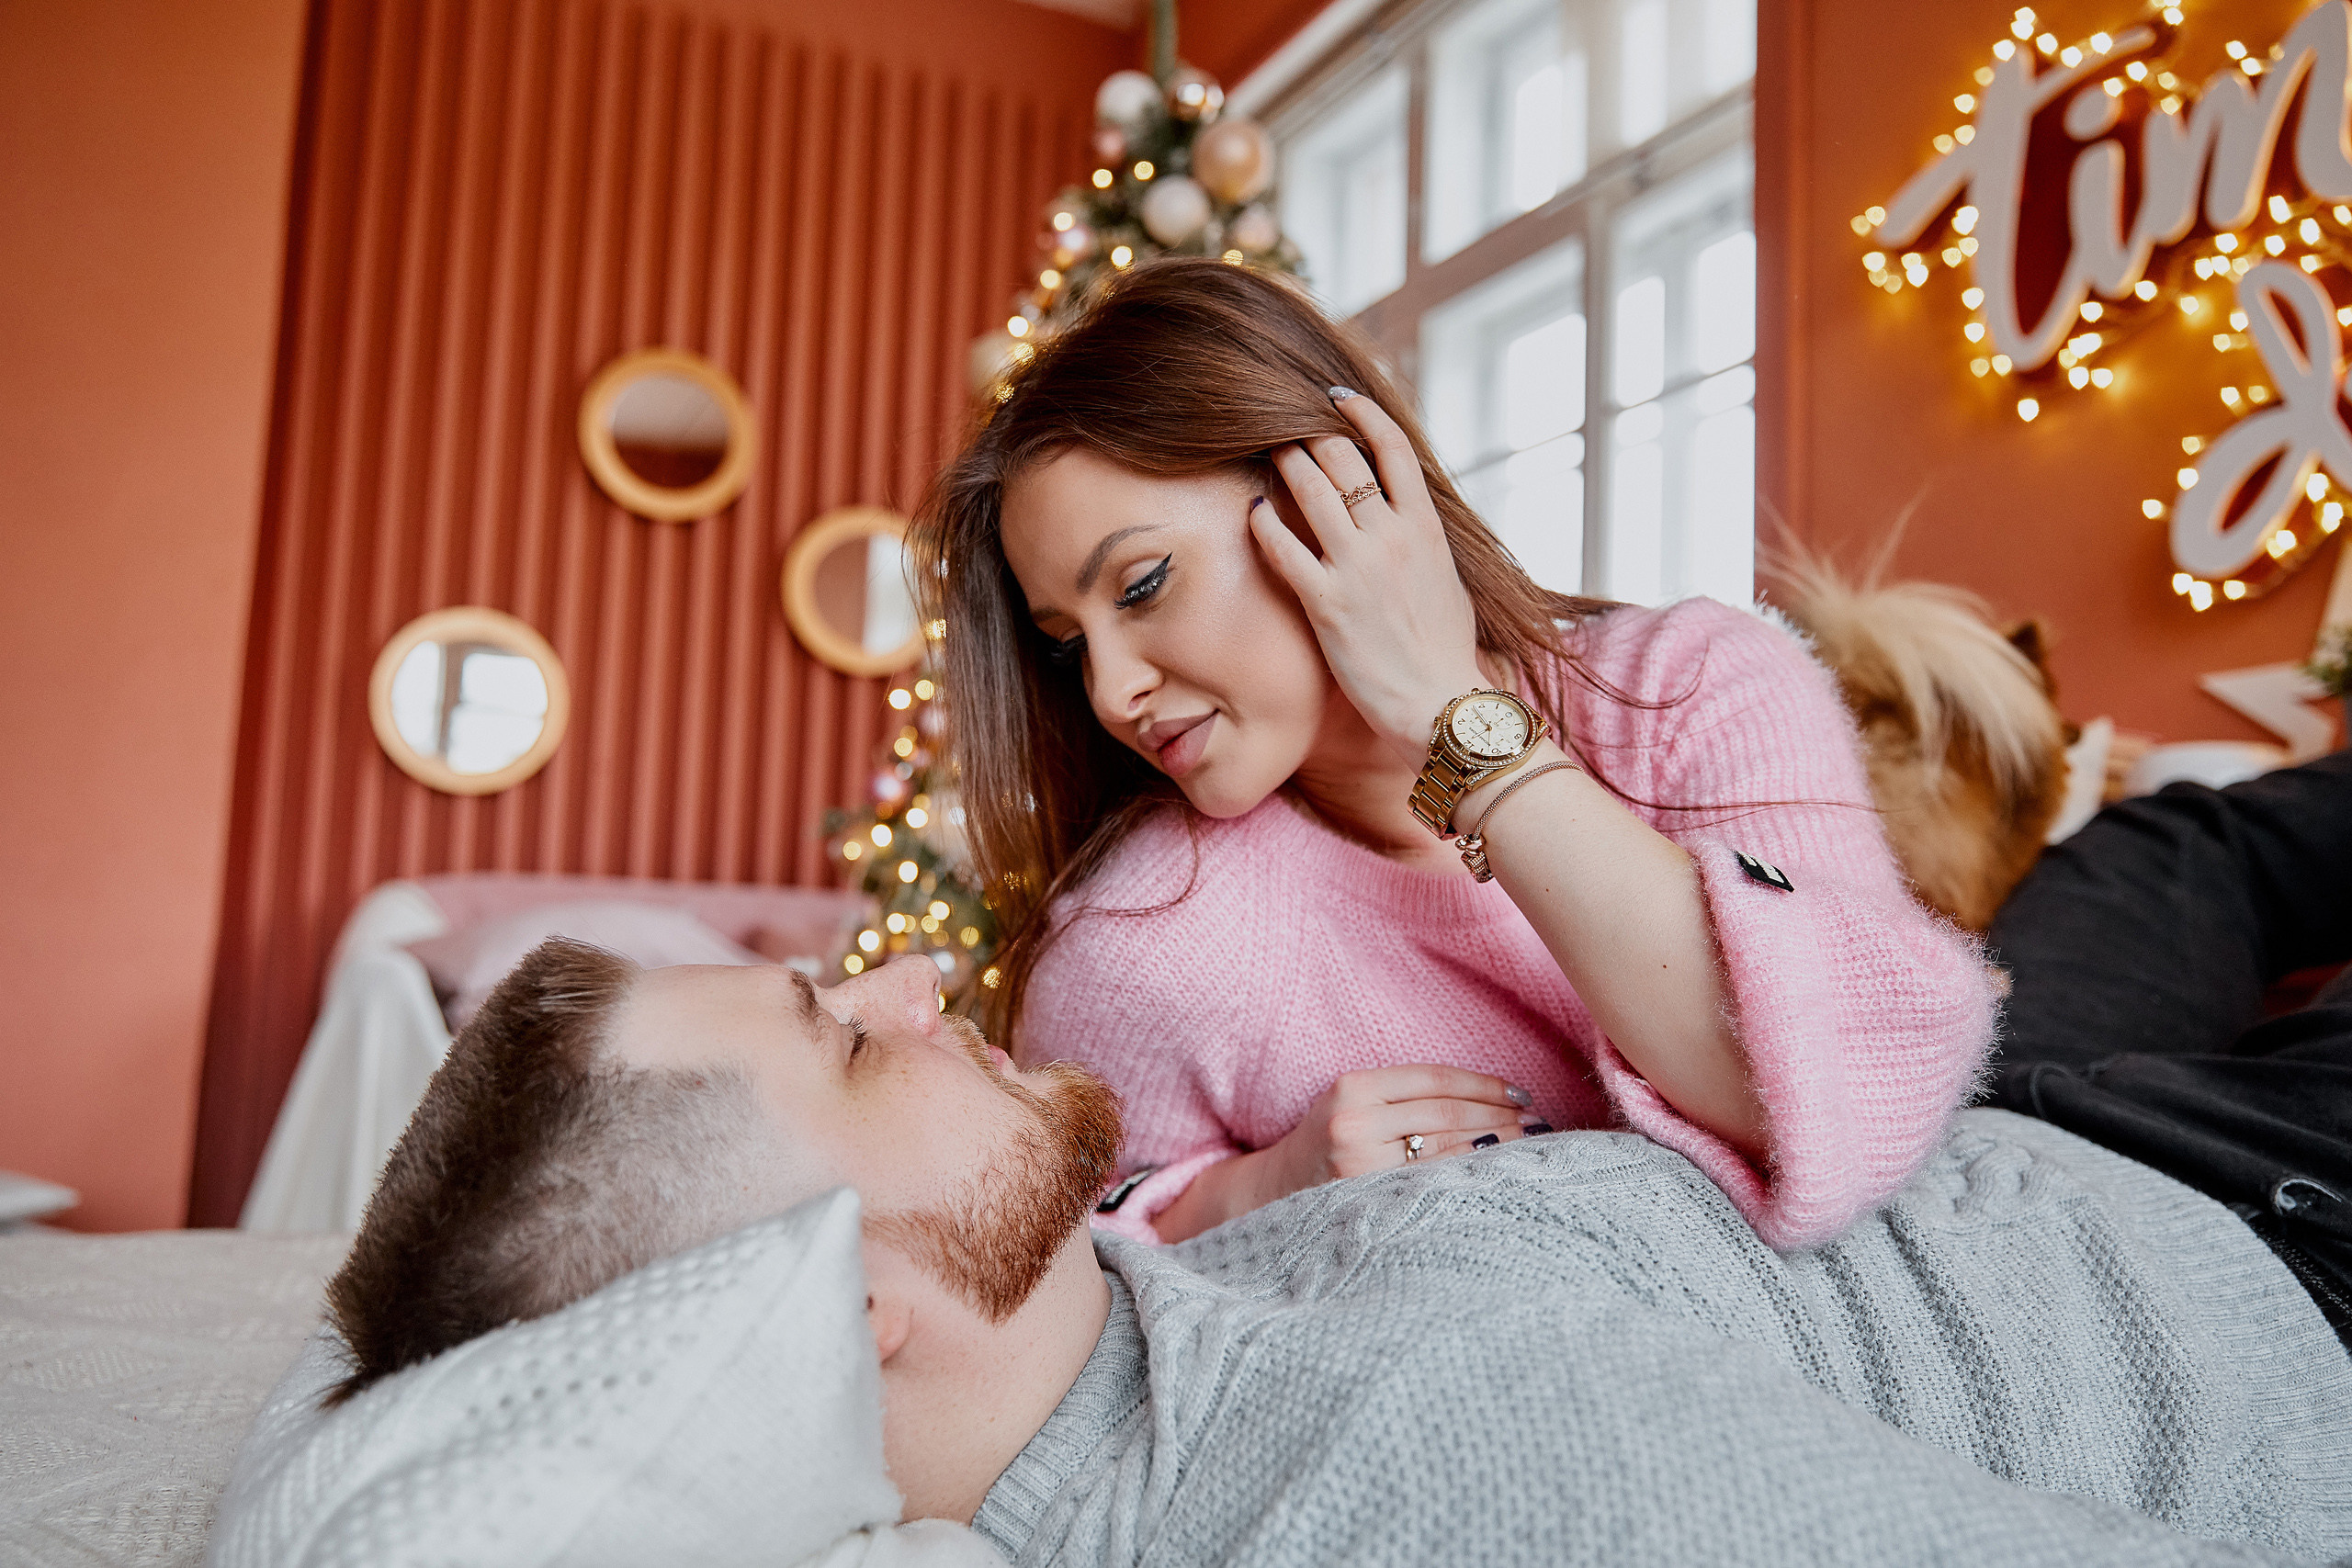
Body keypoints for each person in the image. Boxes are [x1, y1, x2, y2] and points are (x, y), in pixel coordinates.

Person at [325, 938, 2352, 1566]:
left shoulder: (1130, 1324)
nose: (932, 977)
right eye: (851, 1040)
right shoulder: (1426, 1441)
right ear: (844, 1312)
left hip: (2085, 1140)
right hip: (2268, 1237)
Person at [913, 257, 1994, 1249]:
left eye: (1143, 585)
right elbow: (1058, 1270)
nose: (1110, 692)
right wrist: (1248, 1193)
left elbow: (1849, 1084)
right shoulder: (1142, 937)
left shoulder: (1698, 687)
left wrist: (1450, 712)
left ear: (1332, 493)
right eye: (1065, 646)